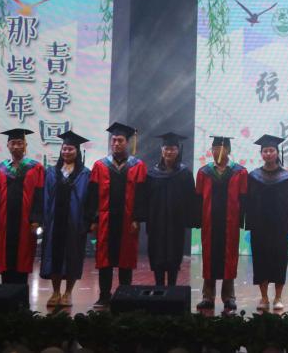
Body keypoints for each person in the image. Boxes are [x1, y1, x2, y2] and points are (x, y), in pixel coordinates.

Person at [86, 122, 147, 308]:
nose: (116, 144)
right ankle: (104, 295)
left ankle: (125, 295)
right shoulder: (100, 165)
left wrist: (137, 218)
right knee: (104, 259)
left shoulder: (138, 166)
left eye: (120, 140)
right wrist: (94, 219)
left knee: (125, 258)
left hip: (127, 220)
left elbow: (142, 196)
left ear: (127, 142)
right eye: (113, 140)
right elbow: (93, 196)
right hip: (106, 220)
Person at [195, 136, 247, 314]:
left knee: (229, 258)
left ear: (229, 151)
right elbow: (198, 198)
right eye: (215, 148)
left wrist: (241, 220)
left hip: (230, 223)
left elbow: (243, 198)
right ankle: (207, 297)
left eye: (222, 148)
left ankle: (229, 297)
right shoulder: (204, 172)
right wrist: (198, 220)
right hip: (209, 222)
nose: (218, 151)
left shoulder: (239, 172)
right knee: (209, 257)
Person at [39, 131, 91, 308]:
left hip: (75, 223)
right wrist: (45, 219)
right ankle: (55, 292)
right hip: (55, 222)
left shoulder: (85, 174)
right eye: (64, 149)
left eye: (70, 149)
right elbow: (46, 197)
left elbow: (88, 200)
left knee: (72, 256)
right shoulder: (52, 172)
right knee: (54, 255)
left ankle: (68, 292)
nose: (66, 152)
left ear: (77, 151)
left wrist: (86, 222)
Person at [0, 128, 45, 285]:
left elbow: (39, 195)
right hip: (4, 220)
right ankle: (5, 292)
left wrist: (36, 219)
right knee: (5, 257)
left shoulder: (36, 167)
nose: (16, 146)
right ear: (8, 146)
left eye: (20, 143)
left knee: (23, 255)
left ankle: (21, 292)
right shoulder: (0, 169)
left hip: (26, 221)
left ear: (25, 145)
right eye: (13, 143)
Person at [246, 134, 288, 312]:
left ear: (277, 152)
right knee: (261, 260)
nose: (268, 153)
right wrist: (249, 224)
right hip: (259, 227)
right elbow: (249, 202)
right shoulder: (253, 176)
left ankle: (278, 297)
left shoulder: (286, 177)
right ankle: (264, 297)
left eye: (271, 150)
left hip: (279, 227)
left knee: (280, 260)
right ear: (261, 153)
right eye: (265, 151)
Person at [145, 132, 196, 287]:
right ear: (162, 150)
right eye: (166, 148)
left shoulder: (185, 174)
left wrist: (189, 219)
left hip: (176, 223)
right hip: (157, 223)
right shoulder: (152, 174)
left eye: (173, 149)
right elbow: (145, 198)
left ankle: (172, 288)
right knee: (157, 255)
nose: (169, 152)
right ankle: (159, 286)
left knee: (174, 255)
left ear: (178, 151)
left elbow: (191, 199)